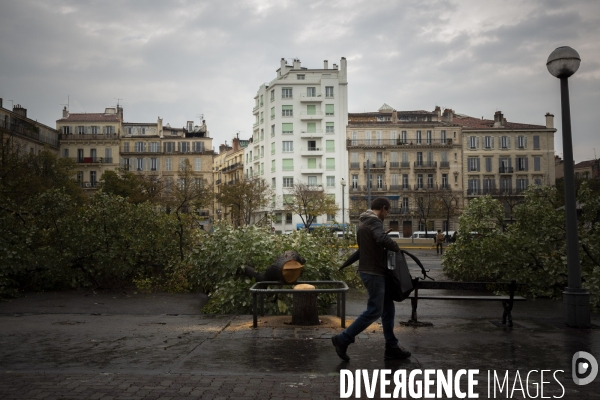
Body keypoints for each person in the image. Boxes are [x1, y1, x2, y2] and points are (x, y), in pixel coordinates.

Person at [331, 197, 411, 361]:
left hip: (373, 271)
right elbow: (381, 239)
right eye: (387, 211)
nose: (387, 215)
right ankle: (343, 339)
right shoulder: (374, 221)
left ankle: (392, 347)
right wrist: (395, 247)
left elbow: (370, 244)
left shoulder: (363, 222)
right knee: (375, 310)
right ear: (383, 208)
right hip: (373, 272)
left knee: (388, 309)